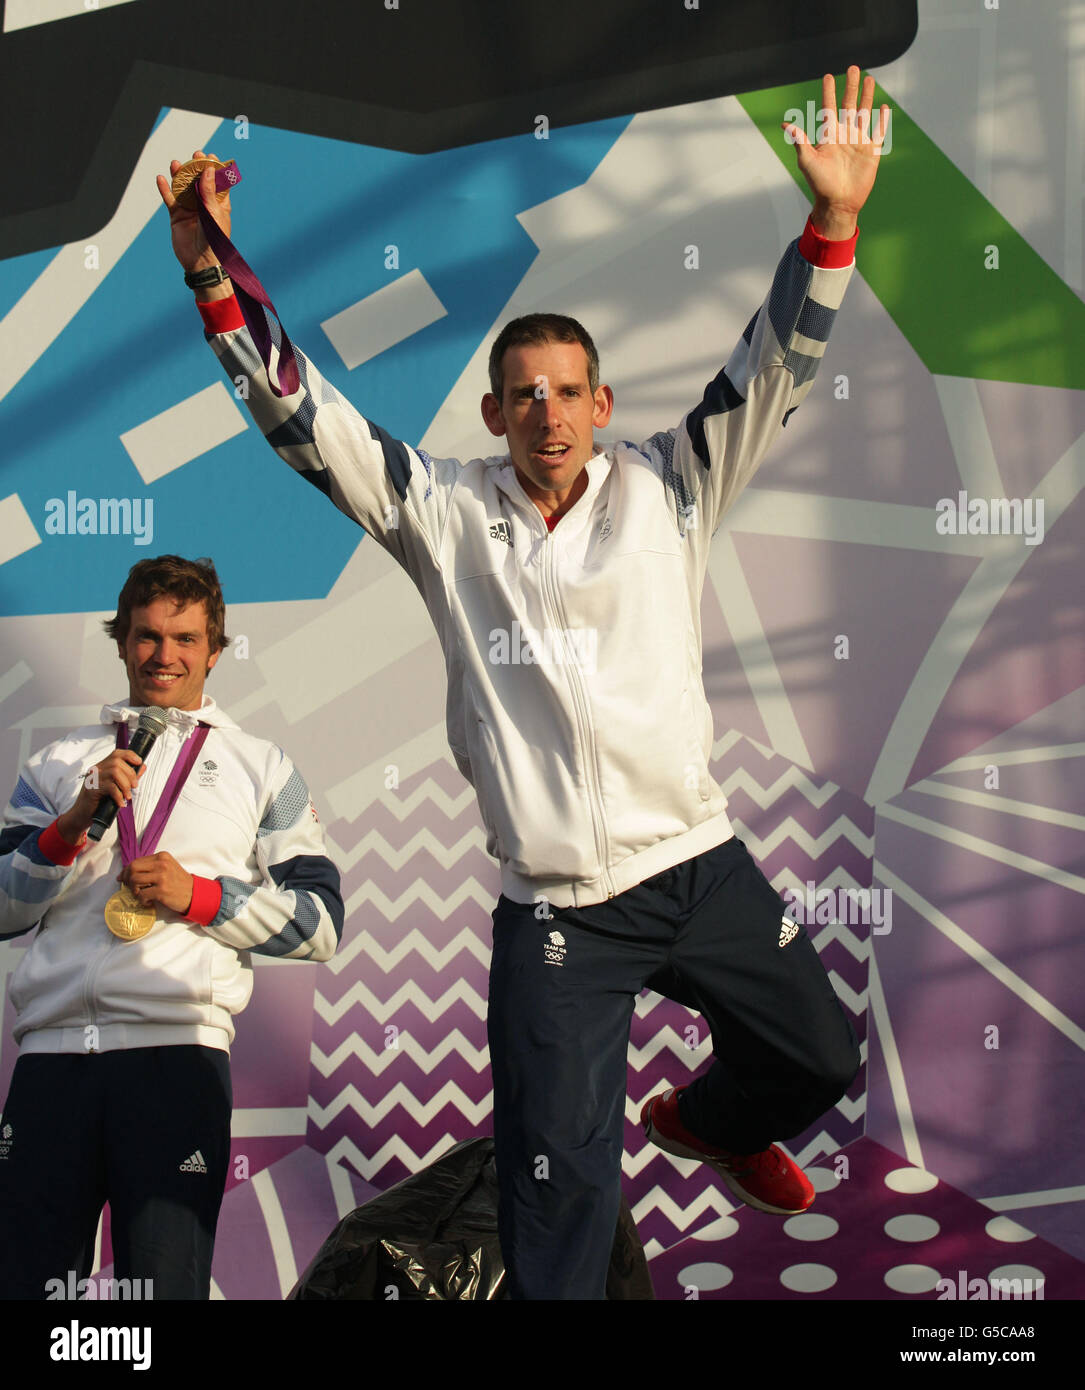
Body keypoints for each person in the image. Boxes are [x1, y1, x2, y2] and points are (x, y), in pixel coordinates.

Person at [159, 67, 889, 1299]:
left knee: (815, 1053)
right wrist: (208, 271)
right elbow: (302, 418)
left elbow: (776, 366)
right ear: (494, 412)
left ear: (602, 405)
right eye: (523, 395)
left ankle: (711, 1121)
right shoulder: (441, 512)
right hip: (556, 915)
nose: (547, 413)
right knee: (555, 1199)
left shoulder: (670, 486)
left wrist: (830, 228)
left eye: (568, 392)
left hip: (694, 862)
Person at [0, 555, 343, 1300]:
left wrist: (200, 898)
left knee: (158, 1299)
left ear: (215, 651)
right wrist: (71, 826)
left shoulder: (260, 766)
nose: (165, 656)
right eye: (148, 636)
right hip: (54, 1063)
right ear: (120, 642)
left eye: (185, 639)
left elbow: (319, 924)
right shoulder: (60, 765)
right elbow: (3, 909)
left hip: (173, 1060)